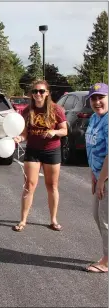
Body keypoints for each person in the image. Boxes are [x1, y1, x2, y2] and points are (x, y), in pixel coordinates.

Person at [12, 80, 67, 232]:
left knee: (52, 186)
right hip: (33, 151)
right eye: (35, 91)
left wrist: (54, 132)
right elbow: (24, 133)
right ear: (32, 94)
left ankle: (53, 220)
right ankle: (23, 220)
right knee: (29, 185)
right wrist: (19, 138)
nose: (38, 94)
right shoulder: (27, 110)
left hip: (52, 151)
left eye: (41, 91)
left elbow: (64, 131)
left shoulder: (56, 109)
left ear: (47, 93)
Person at [84, 83, 108, 273]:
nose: (97, 102)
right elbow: (92, 147)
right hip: (100, 175)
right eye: (94, 98)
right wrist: (93, 173)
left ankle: (106, 261)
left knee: (105, 219)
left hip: (107, 177)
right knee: (97, 216)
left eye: (101, 97)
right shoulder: (94, 118)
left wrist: (101, 180)